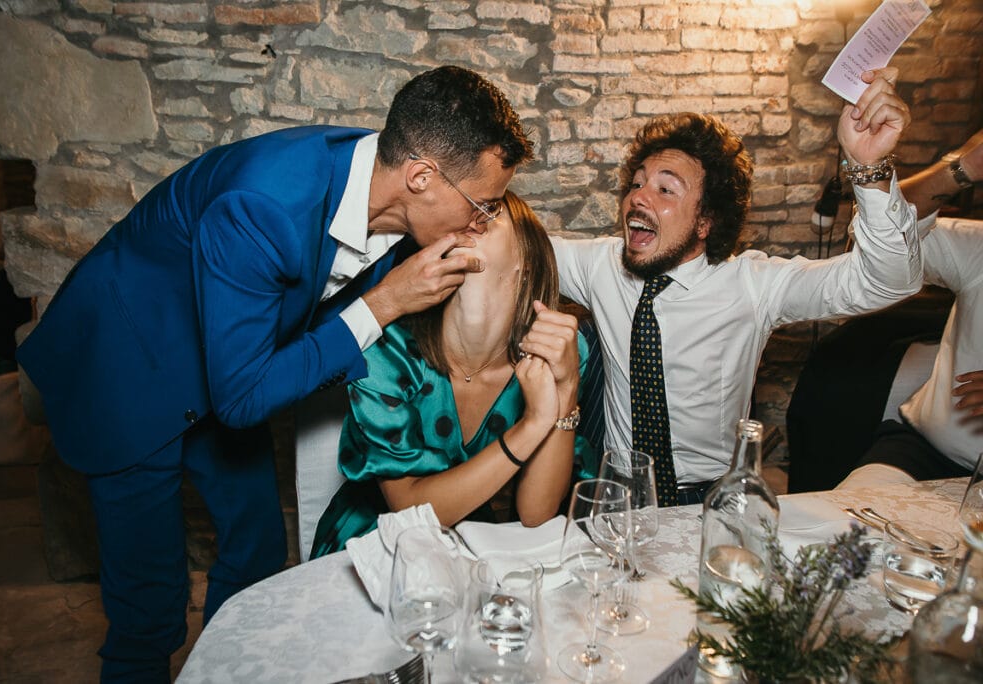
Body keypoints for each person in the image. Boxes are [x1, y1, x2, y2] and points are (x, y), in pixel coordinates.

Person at [15, 65, 533, 681]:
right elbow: (242, 398)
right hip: (127, 366)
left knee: (258, 550)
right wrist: (384, 304)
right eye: (481, 206)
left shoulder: (388, 196)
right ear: (420, 176)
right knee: (148, 605)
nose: (481, 223)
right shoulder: (263, 205)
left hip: (229, 362)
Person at [550, 67, 921, 506]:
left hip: (710, 501)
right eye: (637, 183)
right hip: (617, 495)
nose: (638, 197)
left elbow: (888, 280)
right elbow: (519, 248)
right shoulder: (601, 265)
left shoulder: (753, 285)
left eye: (666, 189)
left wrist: (868, 168)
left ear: (706, 221)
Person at [310, 191, 588, 557]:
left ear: (527, 261)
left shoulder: (558, 348)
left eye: (489, 213)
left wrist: (566, 388)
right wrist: (533, 424)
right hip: (374, 545)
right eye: (463, 215)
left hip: (475, 546)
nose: (470, 221)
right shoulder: (387, 350)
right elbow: (409, 511)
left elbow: (536, 514)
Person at [791, 127, 983, 488]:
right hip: (927, 452)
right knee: (839, 519)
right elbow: (886, 236)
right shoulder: (978, 250)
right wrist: (963, 168)